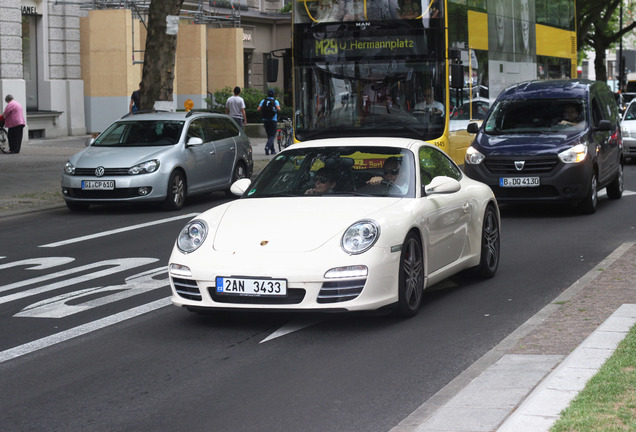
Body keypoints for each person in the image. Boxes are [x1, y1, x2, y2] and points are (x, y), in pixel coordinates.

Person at [258, 89, 281, 155]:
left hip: (265, 120)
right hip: (273, 120)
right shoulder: (275, 101)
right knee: (273, 135)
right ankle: (267, 147)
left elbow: (258, 109)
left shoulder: (263, 101)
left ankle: (272, 150)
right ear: (273, 94)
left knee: (269, 135)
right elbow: (278, 109)